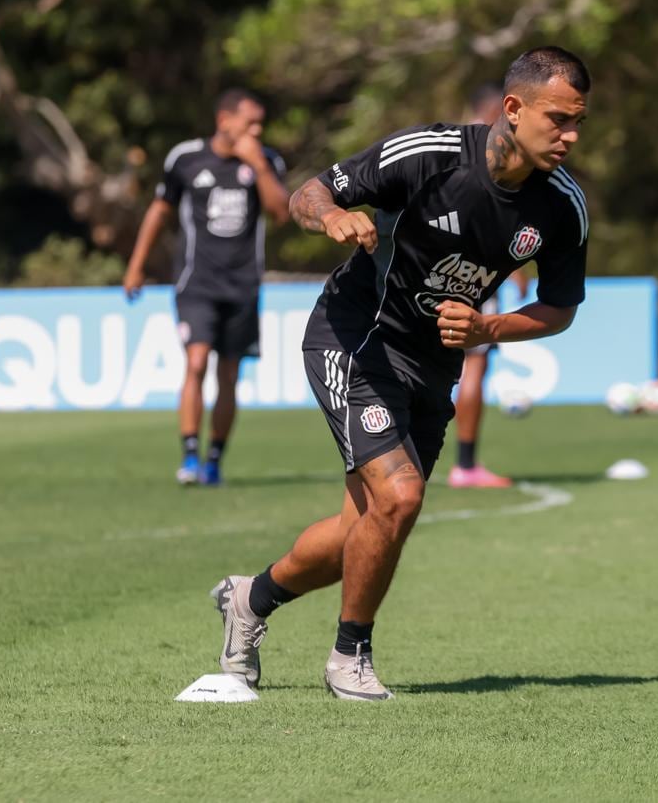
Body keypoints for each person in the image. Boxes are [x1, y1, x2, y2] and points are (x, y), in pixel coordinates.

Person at [209, 46, 591, 701]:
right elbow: (311, 191)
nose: (571, 135)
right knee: (401, 497)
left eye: (579, 121)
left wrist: (488, 328)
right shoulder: (429, 154)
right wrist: (331, 215)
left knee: (366, 526)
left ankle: (250, 597)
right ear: (513, 108)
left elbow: (560, 308)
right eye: (558, 118)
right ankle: (349, 656)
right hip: (355, 339)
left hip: (432, 367)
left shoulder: (561, 206)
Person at [123, 89, 290, 486]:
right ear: (224, 121)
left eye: (259, 123)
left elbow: (281, 213)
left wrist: (258, 167)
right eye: (250, 122)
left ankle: (215, 458)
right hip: (196, 283)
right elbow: (159, 211)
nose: (257, 129)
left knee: (229, 375)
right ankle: (189, 455)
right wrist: (136, 265)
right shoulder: (185, 158)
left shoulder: (267, 162)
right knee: (196, 362)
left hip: (244, 286)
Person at [450, 83, 529, 488]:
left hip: (424, 279)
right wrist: (514, 268)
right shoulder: (494, 160)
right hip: (471, 282)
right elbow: (499, 225)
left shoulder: (445, 151)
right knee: (473, 367)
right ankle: (465, 466)